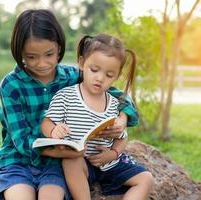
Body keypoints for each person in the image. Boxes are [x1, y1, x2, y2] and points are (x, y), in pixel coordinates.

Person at [0, 9, 140, 200]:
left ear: (59, 48)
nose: (42, 63)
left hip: (56, 165)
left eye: (49, 54)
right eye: (31, 57)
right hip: (18, 162)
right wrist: (53, 151)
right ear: (20, 52)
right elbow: (20, 139)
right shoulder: (11, 86)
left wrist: (123, 117)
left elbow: (121, 96)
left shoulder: (73, 76)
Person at [41, 34, 153, 200]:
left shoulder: (115, 104)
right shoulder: (65, 96)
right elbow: (47, 122)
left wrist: (113, 154)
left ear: (117, 76)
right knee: (70, 162)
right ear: (81, 63)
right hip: (81, 161)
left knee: (146, 179)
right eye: (94, 70)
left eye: (109, 75)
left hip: (109, 162)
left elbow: (122, 138)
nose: (100, 78)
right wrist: (54, 130)